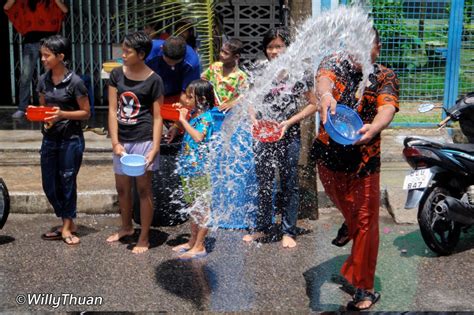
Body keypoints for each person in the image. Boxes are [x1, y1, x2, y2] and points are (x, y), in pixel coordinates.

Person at [312, 27, 399, 310]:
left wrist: (375, 126)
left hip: (365, 160)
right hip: (328, 157)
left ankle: (363, 288)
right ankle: (349, 224)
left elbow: (387, 106)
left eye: (366, 46)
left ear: (377, 48)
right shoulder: (336, 63)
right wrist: (325, 96)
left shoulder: (384, 75)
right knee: (352, 216)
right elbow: (323, 80)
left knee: (366, 223)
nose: (359, 52)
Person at [242, 27, 316, 248]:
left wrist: (288, 122)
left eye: (278, 46)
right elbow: (250, 101)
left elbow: (314, 104)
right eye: (270, 47)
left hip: (288, 134)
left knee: (289, 183)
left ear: (287, 48)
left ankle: (288, 231)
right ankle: (262, 227)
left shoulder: (298, 73)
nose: (274, 51)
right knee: (263, 182)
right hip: (263, 135)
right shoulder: (259, 70)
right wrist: (254, 119)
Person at [106, 31, 164, 254]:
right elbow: (112, 110)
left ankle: (144, 236)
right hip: (122, 140)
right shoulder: (117, 75)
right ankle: (126, 227)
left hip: (144, 139)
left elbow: (158, 117)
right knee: (122, 188)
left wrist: (155, 148)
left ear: (141, 54)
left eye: (127, 51)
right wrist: (115, 142)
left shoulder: (154, 80)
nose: (123, 54)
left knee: (143, 189)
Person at [37, 35, 90, 245]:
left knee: (67, 180)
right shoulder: (42, 80)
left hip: (71, 139)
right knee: (49, 183)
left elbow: (86, 112)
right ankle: (66, 219)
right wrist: (39, 115)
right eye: (42, 55)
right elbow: (43, 108)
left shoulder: (75, 82)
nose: (43, 59)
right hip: (50, 138)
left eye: (47, 55)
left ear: (60, 56)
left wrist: (62, 115)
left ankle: (68, 225)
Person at [171, 79, 215, 259]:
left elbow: (197, 137)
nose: (185, 99)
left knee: (203, 208)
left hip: (201, 170)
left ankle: (200, 245)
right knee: (193, 207)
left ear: (202, 99)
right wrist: (180, 121)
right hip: (189, 168)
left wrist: (181, 119)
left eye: (190, 97)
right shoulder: (195, 114)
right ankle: (192, 240)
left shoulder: (206, 117)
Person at [4, 0, 68, 119]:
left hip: (50, 44)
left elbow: (64, 10)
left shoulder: (51, 2)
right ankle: (22, 108)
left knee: (53, 75)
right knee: (25, 76)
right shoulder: (26, 2)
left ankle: (54, 106)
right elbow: (7, 7)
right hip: (31, 42)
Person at [145, 35, 201, 103]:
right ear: (161, 48)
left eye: (176, 62)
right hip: (150, 93)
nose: (172, 65)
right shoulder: (148, 51)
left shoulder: (192, 62)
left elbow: (188, 93)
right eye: (168, 61)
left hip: (176, 96)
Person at [201, 38, 247, 112]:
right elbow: (203, 79)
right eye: (221, 51)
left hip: (228, 114)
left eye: (226, 53)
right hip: (211, 109)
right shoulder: (215, 67)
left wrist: (232, 104)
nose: (221, 55)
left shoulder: (241, 76)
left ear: (236, 57)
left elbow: (245, 96)